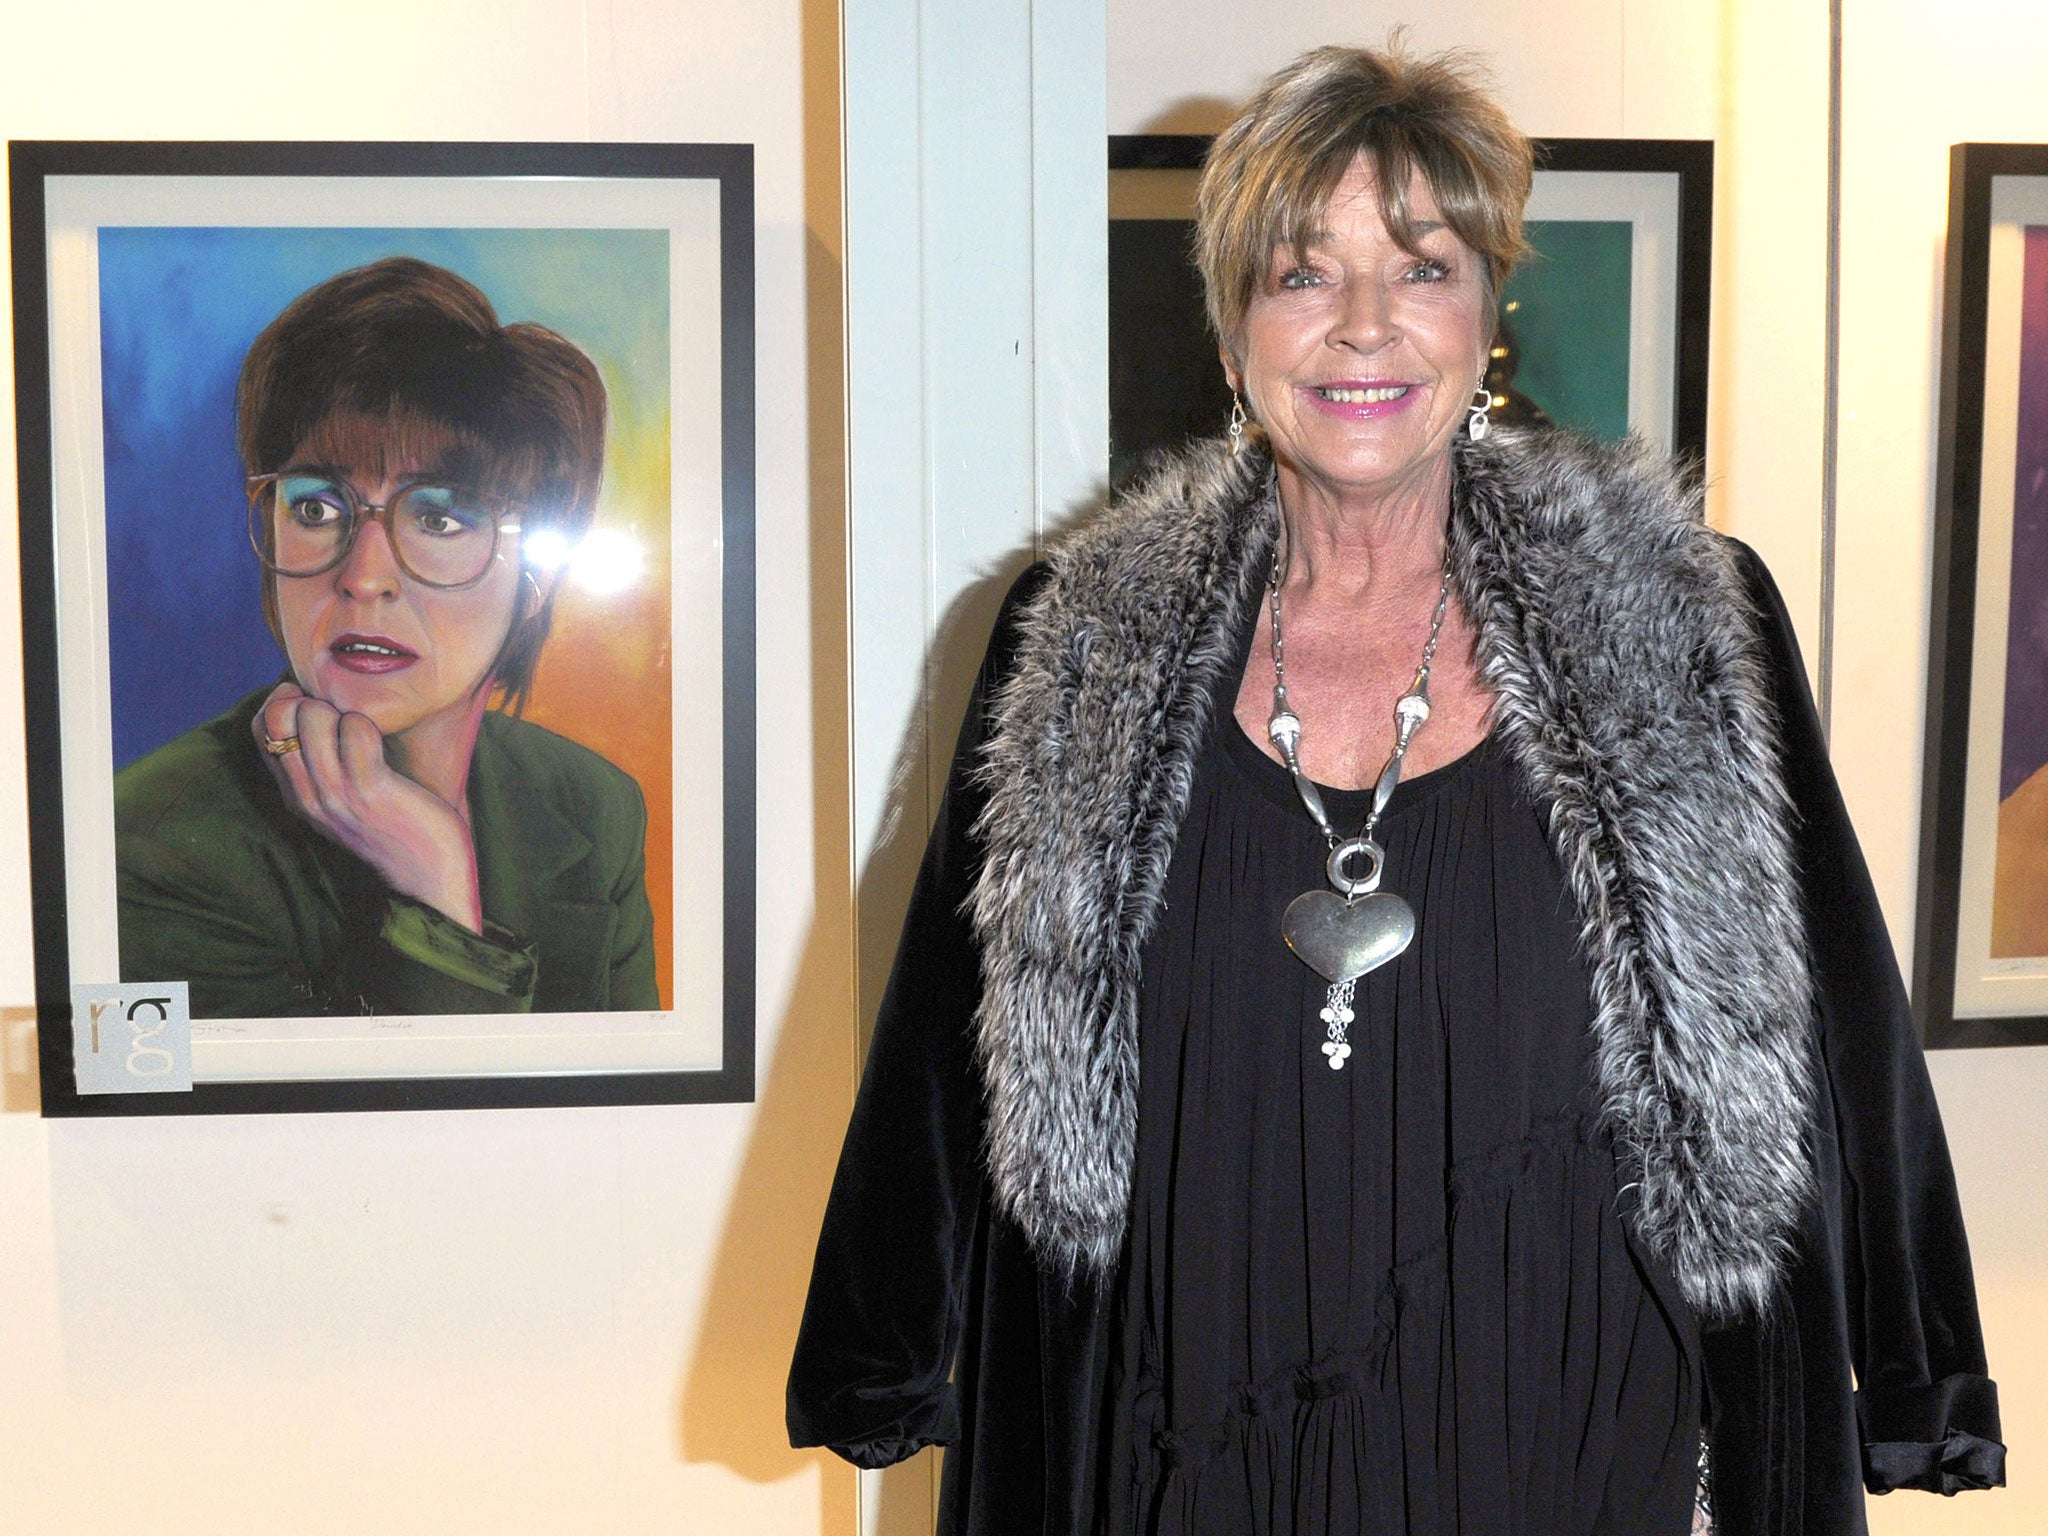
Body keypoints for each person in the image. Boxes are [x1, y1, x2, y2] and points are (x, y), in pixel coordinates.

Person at [788, 42, 2004, 1536]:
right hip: (1185, 1437)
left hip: (1577, 1432)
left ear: (1485, 316)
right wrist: (881, 1341)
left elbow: (1839, 1020)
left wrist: (1919, 1365)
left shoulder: (1684, 617)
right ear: (1234, 336)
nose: (1362, 325)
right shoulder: (1078, 634)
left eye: (1420, 266)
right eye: (1301, 275)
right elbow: (945, 1028)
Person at [115, 256, 658, 1017]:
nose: (364, 577)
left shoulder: (595, 807)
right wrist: (437, 901)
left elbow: (632, 1120)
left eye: (439, 517)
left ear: (535, 574)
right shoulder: (151, 845)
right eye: (316, 508)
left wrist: (435, 867)